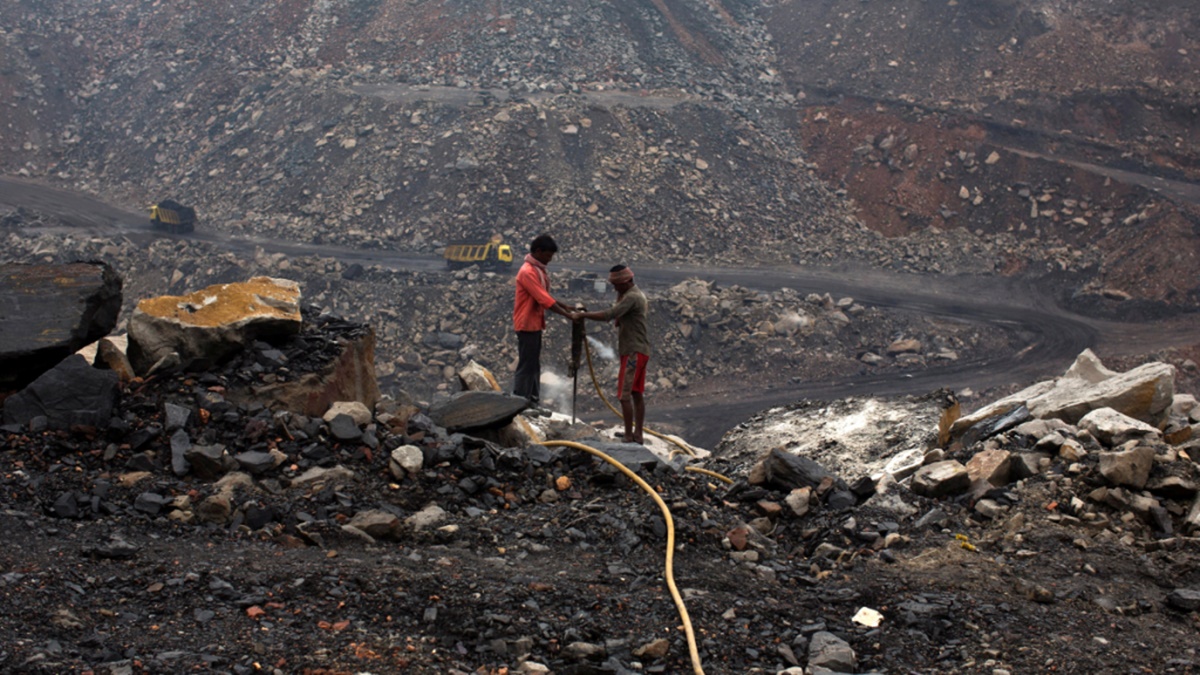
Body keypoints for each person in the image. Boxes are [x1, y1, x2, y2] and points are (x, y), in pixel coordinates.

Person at [571, 265, 650, 444]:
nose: (615, 288)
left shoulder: (632, 297)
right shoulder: (632, 294)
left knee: (624, 395)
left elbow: (609, 315)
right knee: (636, 393)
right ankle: (637, 434)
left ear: (626, 282)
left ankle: (629, 436)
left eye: (617, 285)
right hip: (639, 350)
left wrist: (583, 316)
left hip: (633, 352)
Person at [512, 234, 574, 410]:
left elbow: (545, 295)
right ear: (538, 251)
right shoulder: (528, 272)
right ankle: (520, 401)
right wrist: (567, 315)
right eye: (547, 256)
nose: (549, 260)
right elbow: (543, 298)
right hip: (526, 324)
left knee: (533, 363)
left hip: (534, 324)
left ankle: (532, 400)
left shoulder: (537, 270)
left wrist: (565, 307)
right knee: (526, 365)